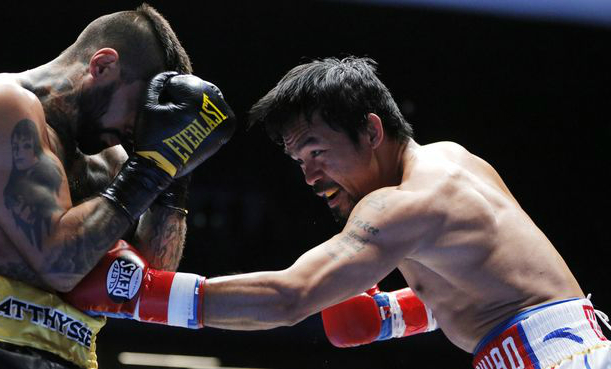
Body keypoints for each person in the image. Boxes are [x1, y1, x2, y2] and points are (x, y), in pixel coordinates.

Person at [65, 56, 610, 369]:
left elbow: (289, 297)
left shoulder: (399, 206)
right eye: (299, 159)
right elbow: (492, 283)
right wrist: (398, 313)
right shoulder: (454, 160)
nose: (309, 176)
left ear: (373, 130)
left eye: (317, 151)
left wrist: (143, 295)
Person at [0, 4, 235, 369]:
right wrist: (149, 171)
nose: (138, 132)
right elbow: (58, 262)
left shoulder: (112, 162)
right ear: (102, 66)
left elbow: (141, 282)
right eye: (139, 113)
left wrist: (174, 177)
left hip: (74, 357)